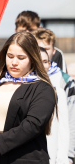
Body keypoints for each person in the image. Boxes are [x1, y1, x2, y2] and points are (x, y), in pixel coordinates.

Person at [0, 31, 57, 163]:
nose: (14, 62)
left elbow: (32, 125)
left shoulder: (42, 88)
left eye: (21, 58)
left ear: (32, 58)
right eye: (10, 56)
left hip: (24, 157)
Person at [33, 28, 75, 163]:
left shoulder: (63, 82)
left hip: (55, 152)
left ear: (53, 50)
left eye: (46, 48)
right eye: (38, 48)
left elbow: (68, 121)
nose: (42, 52)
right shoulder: (21, 80)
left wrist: (68, 155)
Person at [39, 48, 70, 164]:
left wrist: (63, 159)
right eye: (38, 60)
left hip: (51, 157)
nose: (42, 65)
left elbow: (63, 128)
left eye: (45, 61)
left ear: (49, 64)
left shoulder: (57, 92)